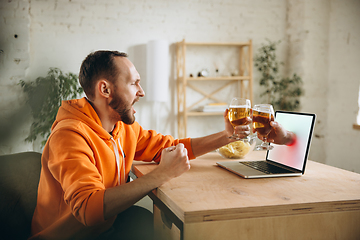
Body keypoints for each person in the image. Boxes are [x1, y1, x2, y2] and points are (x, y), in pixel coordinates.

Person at [29, 50, 295, 240]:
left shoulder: (122, 127)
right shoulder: (70, 135)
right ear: (105, 90)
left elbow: (172, 147)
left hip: (104, 229)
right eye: (134, 83)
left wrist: (229, 136)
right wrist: (162, 174)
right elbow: (88, 209)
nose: (141, 92)